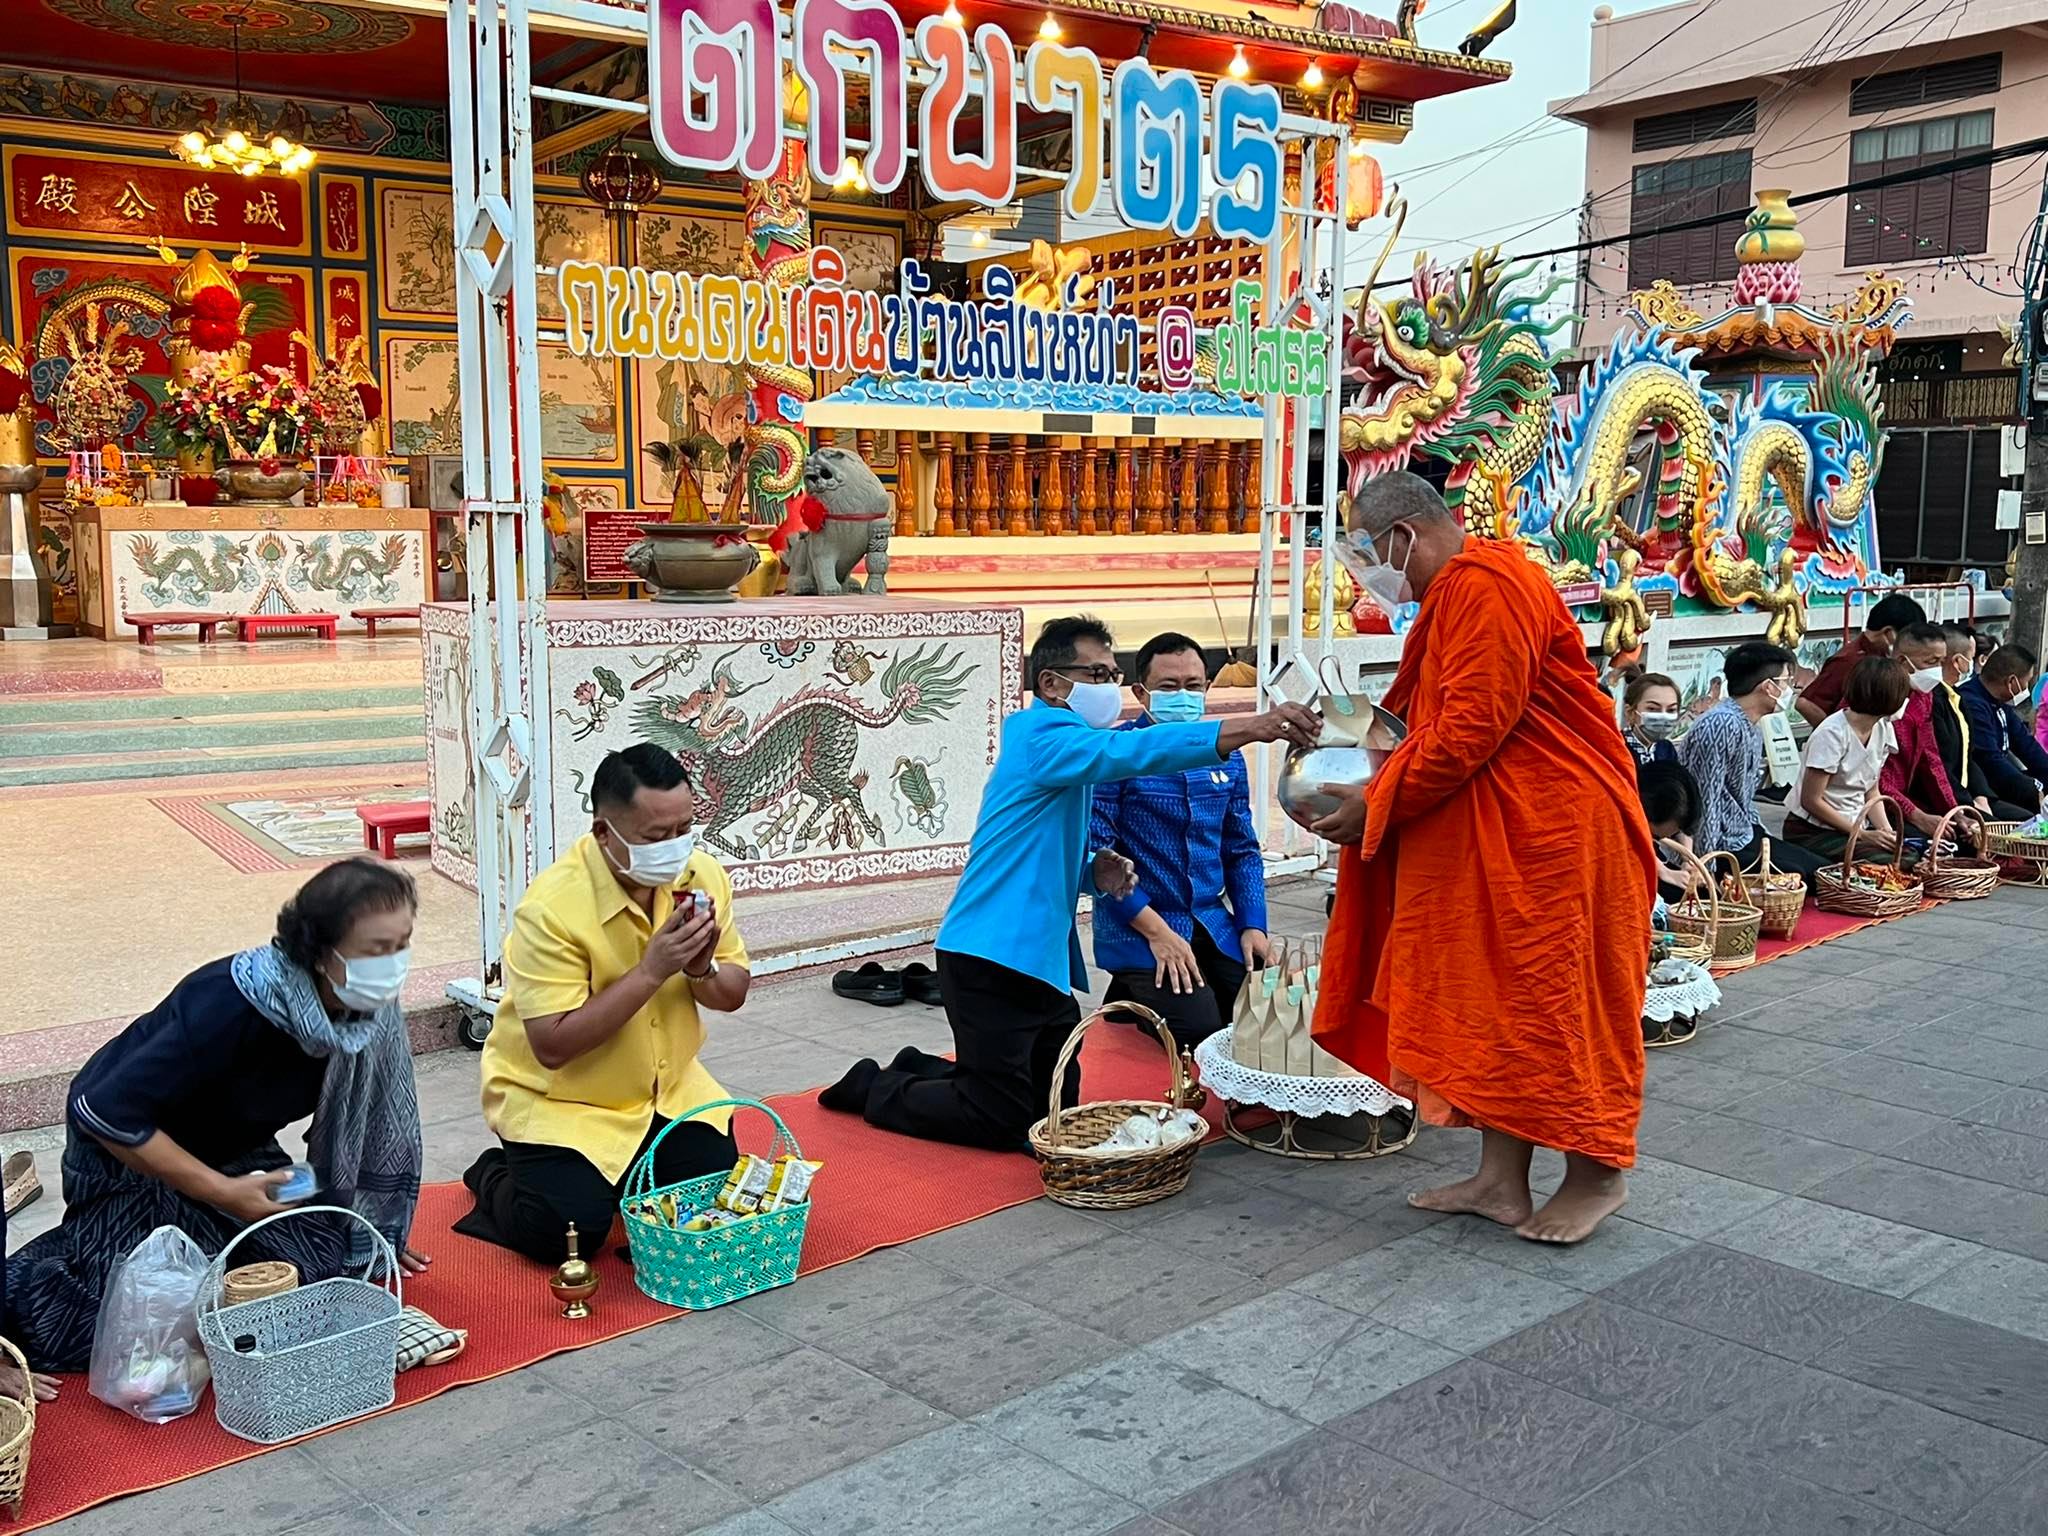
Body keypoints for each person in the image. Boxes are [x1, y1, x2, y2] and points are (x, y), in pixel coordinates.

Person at [1309, 472, 1654, 1246]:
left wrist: (1377, 803)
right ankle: (1501, 1183)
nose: (1366, 570)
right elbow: (1435, 721)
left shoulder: (1486, 583)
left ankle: (1597, 1172)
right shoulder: (1467, 591)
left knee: (1554, 1002)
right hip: (1509, 830)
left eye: (1367, 552)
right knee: (1502, 1005)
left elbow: (1471, 725)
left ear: (1404, 536)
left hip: (1560, 834)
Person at [819, 616, 1319, 1150]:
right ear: (1052, 684)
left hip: (1043, 958)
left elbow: (1055, 843)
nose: (1109, 687)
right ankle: (874, 1085)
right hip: (989, 955)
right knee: (1005, 1123)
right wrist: (1247, 726)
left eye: (1111, 673)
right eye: (1097, 674)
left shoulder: (1068, 745)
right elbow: (1130, 754)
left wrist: (1093, 869)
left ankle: (925, 1067)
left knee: (1055, 1111)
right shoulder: (1044, 739)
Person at [6, 860, 425, 1373]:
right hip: (132, 1158)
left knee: (314, 1272)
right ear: (320, 952)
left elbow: (357, 1129)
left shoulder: (362, 1015)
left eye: (402, 944)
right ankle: (29, 1280)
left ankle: (215, 1227)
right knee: (136, 1321)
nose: (394, 964)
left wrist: (373, 1223)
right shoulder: (228, 1004)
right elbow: (101, 1110)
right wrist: (221, 1193)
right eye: (377, 950)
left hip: (232, 1151)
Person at [456, 743, 751, 1263]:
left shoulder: (700, 876)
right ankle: (495, 1174)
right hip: (562, 1102)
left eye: (684, 829)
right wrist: (652, 970)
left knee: (710, 1201)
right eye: (656, 837)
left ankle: (614, 1180)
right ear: (603, 833)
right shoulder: (551, 910)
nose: (675, 848)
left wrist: (700, 967)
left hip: (664, 1092)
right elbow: (552, 1045)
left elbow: (733, 995)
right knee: (567, 1234)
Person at [1088, 631, 1267, 1052]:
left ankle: (1130, 996)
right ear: (1141, 692)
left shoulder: (1227, 755)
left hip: (1211, 920)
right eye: (1169, 687)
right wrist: (1157, 933)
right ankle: (1133, 986)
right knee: (1199, 1034)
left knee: (1258, 1018)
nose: (1182, 695)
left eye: (1193, 686)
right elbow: (1098, 857)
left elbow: (1242, 849)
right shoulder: (1117, 754)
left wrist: (1253, 924)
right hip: (1142, 922)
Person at [1676, 641, 1830, 883]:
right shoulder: (1720, 724)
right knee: (1801, 876)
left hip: (1743, 832)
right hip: (1721, 843)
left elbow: (1744, 799)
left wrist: (1764, 838)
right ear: (1768, 687)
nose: (1790, 688)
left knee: (1824, 870)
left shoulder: (1753, 725)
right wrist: (1706, 866)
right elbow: (1705, 799)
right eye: (1785, 681)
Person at [1784, 655, 1906, 860]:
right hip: (1812, 829)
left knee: (1905, 854)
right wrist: (1862, 834)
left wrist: (1886, 832)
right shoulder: (1832, 733)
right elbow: (1811, 800)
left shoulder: (1883, 728)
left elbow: (1871, 789)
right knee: (1883, 861)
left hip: (1853, 823)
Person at [1880, 623, 1972, 847]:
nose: (1937, 671)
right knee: (1932, 848)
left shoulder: (1924, 696)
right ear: (1903, 661)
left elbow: (1930, 758)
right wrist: (1917, 816)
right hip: (1874, 806)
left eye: (1940, 662)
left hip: (1906, 800)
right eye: (1931, 663)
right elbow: (1872, 778)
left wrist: (1953, 811)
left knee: (1967, 835)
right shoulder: (1875, 694)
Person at [1795, 593, 1927, 727]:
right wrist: (1840, 737)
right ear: (1889, 633)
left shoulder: (1884, 656)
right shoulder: (1849, 660)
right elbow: (1806, 704)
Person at [1960, 644, 2048, 816]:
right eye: (2027, 682)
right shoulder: (1972, 703)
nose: (2027, 688)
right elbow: (1990, 762)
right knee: (2030, 819)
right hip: (1984, 790)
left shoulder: (1999, 703)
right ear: (2012, 681)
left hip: (2003, 781)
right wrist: (2033, 788)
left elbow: (2026, 745)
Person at [1638, 760, 1702, 899]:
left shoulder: (1666, 753)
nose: (1665, 839)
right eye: (1656, 837)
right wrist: (1664, 872)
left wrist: (1687, 861)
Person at [1620, 671, 1683, 769]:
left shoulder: (1666, 748)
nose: (1663, 716)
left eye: (1671, 710)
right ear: (1630, 712)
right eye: (1652, 709)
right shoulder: (1616, 748)